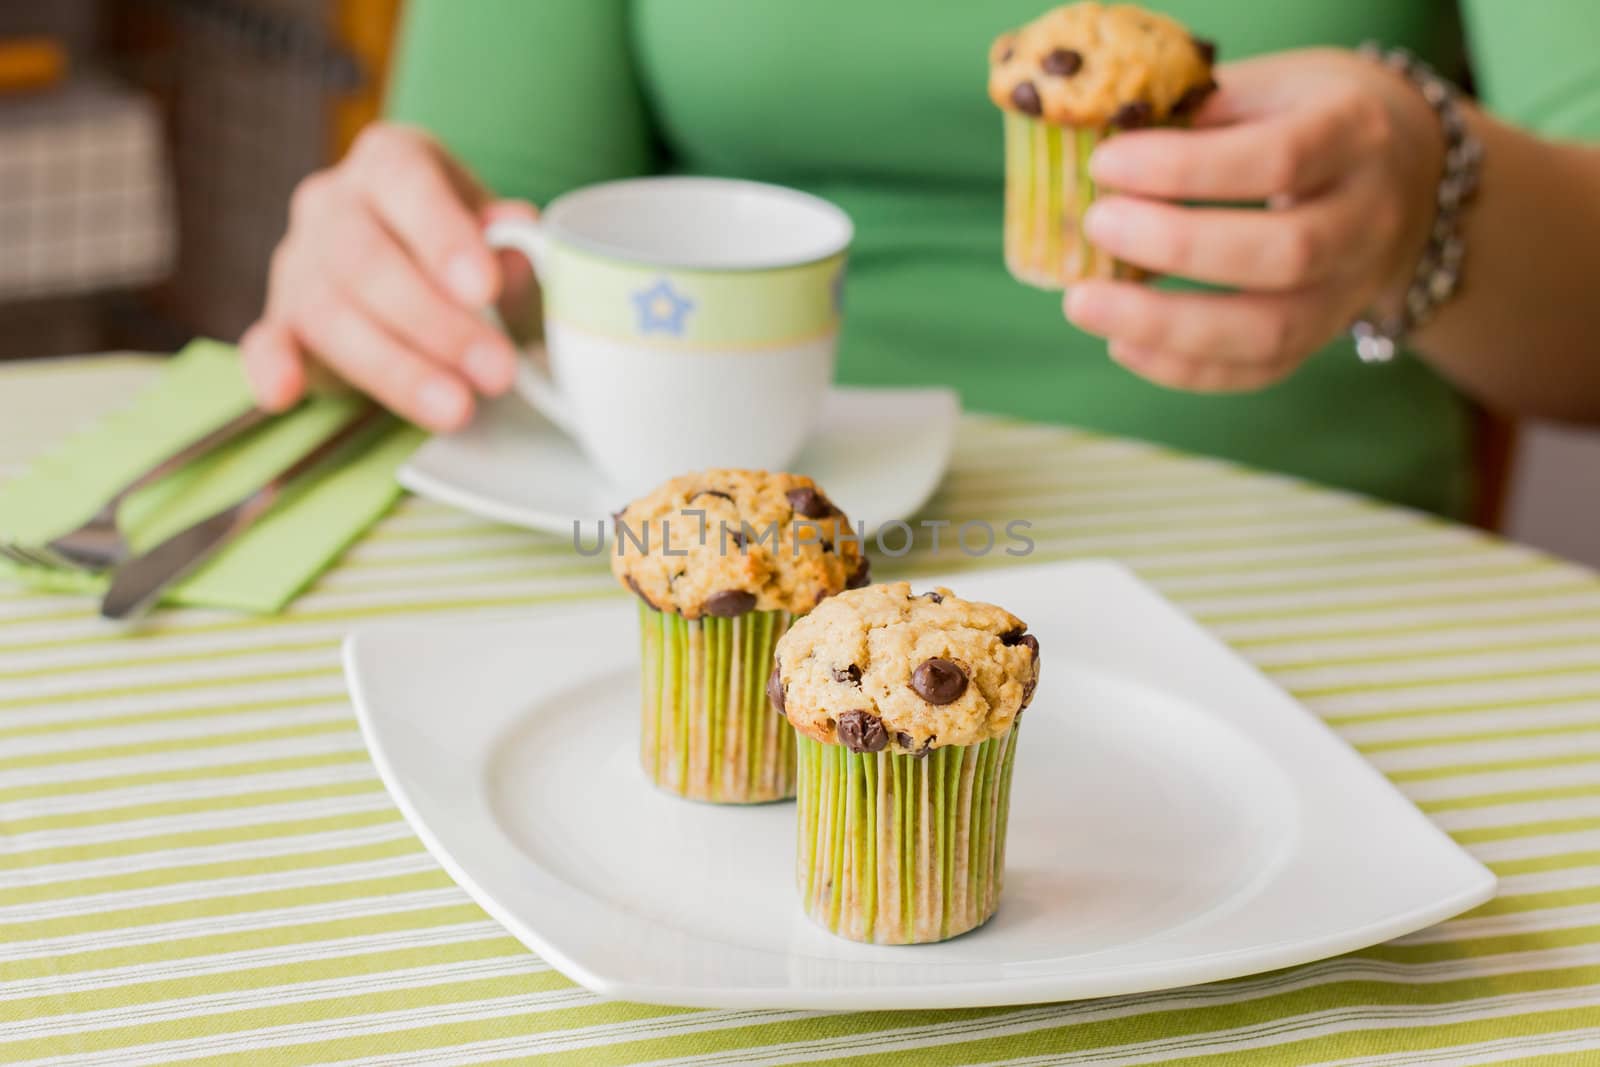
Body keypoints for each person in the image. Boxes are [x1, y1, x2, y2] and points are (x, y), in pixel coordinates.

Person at [240, 1, 1600, 520]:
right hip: (725, 552)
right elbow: (498, 204)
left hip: (1298, 581)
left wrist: (1436, 201)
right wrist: (396, 257)